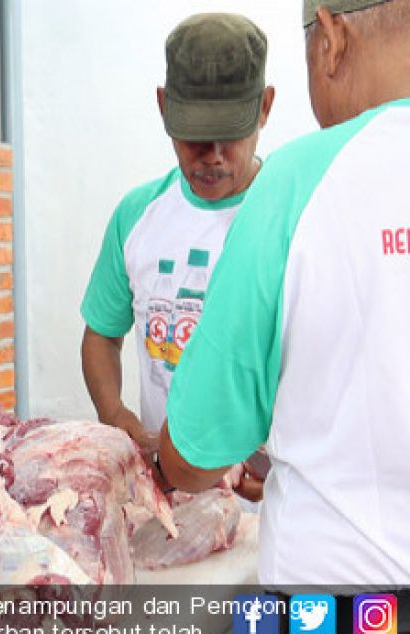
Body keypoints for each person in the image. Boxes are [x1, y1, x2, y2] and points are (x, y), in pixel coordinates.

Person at [160, 0, 410, 587]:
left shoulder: (298, 180)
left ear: (330, 38)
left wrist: (169, 462)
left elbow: (196, 449)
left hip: (331, 600)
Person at [80, 14, 274, 479]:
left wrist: (270, 468)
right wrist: (116, 416)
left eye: (229, 132)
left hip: (268, 493)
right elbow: (102, 335)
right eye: (192, 135)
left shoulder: (286, 217)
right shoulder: (137, 215)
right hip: (167, 486)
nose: (211, 154)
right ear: (164, 107)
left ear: (264, 108)